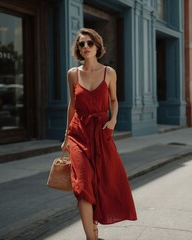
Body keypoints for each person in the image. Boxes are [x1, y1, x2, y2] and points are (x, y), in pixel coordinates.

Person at [61, 28, 137, 240]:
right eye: (81, 44)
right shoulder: (72, 74)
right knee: (83, 186)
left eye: (89, 43)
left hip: (102, 133)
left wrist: (112, 120)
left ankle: (94, 226)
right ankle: (91, 237)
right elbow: (72, 105)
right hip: (79, 134)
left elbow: (113, 100)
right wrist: (67, 135)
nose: (85, 47)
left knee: (101, 183)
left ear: (97, 46)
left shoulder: (109, 72)